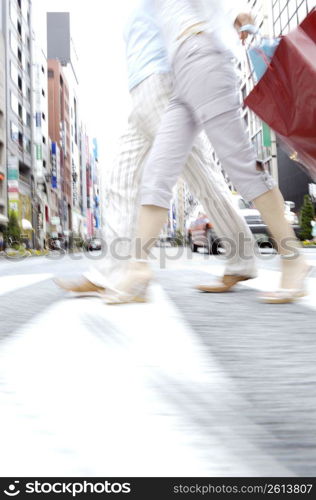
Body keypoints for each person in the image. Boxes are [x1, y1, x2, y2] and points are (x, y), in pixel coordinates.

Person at [103, 0, 309, 305]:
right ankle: (137, 267)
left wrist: (237, 11)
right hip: (180, 74)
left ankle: (293, 260)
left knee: (241, 167)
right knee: (158, 173)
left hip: (203, 57)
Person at [55, 0, 259, 297]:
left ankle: (241, 259)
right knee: (119, 179)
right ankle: (111, 271)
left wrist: (234, 13)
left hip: (166, 84)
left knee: (201, 177)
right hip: (141, 94)